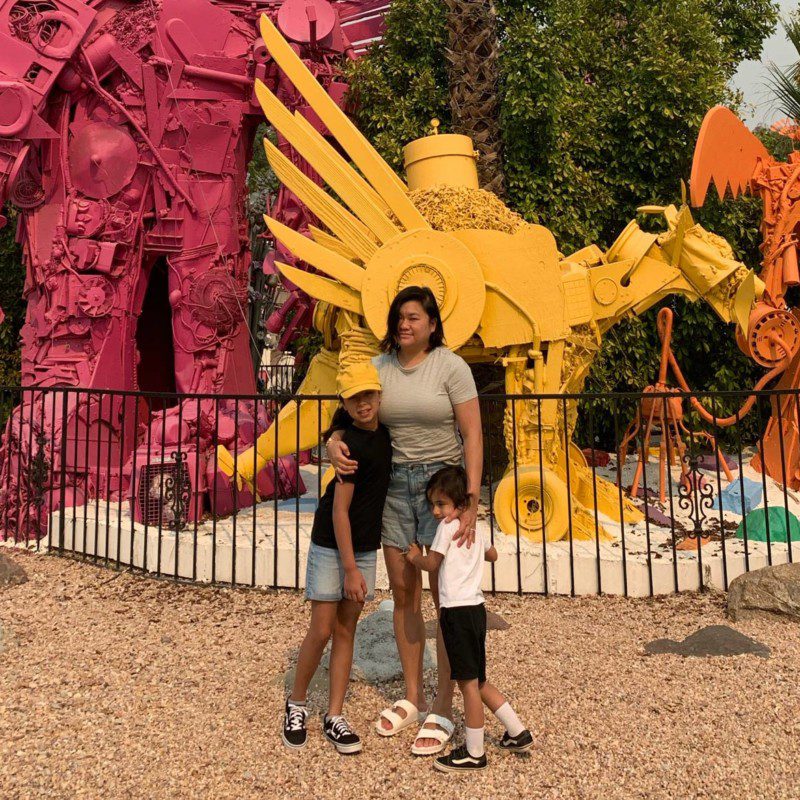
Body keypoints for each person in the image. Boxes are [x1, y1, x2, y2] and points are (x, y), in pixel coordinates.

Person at [327, 285, 483, 754]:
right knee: (404, 595)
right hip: (395, 487)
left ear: (432, 324)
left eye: (414, 317)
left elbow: (473, 435)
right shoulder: (378, 369)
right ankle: (414, 695)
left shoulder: (451, 366)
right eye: (400, 317)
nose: (405, 324)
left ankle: (444, 703)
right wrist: (333, 442)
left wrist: (472, 502)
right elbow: (350, 414)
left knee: (447, 599)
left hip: (443, 493)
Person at [282, 361, 392, 755]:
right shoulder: (350, 448)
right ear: (345, 402)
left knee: (347, 630)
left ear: (379, 396)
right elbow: (339, 511)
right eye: (355, 397)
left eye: (369, 395)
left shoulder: (383, 436)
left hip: (363, 546)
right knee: (323, 627)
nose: (364, 403)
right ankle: (296, 702)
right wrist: (349, 568)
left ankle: (333, 713)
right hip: (335, 546)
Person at [406, 465, 533, 772]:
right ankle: (517, 732)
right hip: (477, 610)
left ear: (460, 504)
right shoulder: (476, 527)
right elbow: (493, 556)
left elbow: (431, 563)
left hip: (456, 612)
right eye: (434, 504)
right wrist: (476, 551)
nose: (436, 511)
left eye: (441, 504)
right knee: (480, 679)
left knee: (467, 686)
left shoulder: (446, 528)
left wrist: (412, 556)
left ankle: (475, 753)